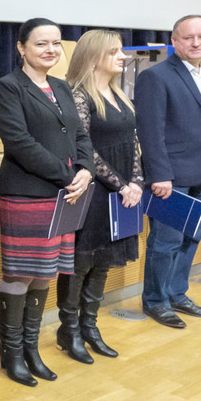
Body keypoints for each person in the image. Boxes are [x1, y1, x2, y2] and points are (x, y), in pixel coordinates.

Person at [0, 18, 94, 386]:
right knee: (20, 274)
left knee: (44, 274)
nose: (51, 50)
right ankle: (11, 351)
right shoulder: (9, 87)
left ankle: (31, 349)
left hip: (63, 196)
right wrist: (68, 176)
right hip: (26, 194)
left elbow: (81, 135)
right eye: (40, 43)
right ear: (21, 48)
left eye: (55, 43)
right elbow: (20, 143)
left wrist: (85, 169)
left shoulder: (62, 86)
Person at [134, 14, 201, 329]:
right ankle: (156, 300)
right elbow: (150, 132)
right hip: (172, 178)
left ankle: (177, 293)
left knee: (191, 237)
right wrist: (159, 174)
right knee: (166, 242)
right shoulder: (156, 76)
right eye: (188, 37)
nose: (195, 43)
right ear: (174, 41)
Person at [55, 29, 140, 363]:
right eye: (114, 52)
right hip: (94, 190)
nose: (123, 56)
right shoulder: (78, 95)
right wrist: (121, 184)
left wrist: (137, 180)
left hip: (121, 190)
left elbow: (133, 140)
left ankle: (89, 326)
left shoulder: (119, 93)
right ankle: (69, 330)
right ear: (93, 57)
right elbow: (84, 148)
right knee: (81, 263)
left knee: (103, 261)